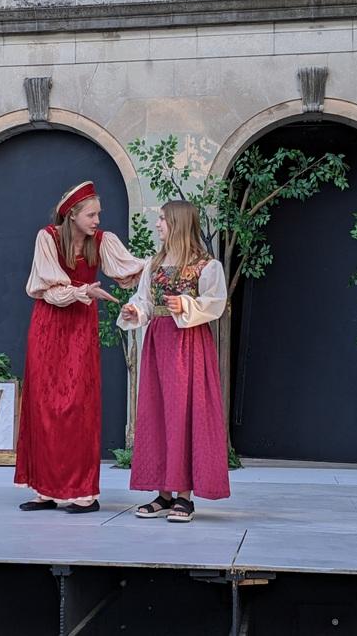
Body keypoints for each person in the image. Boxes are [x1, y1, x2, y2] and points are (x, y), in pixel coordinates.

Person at [15, 181, 144, 514]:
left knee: (77, 403)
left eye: (98, 213)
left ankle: (82, 492)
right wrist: (84, 290)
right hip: (47, 325)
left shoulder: (102, 242)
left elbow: (130, 269)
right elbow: (48, 287)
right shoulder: (47, 237)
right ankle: (43, 488)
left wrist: (162, 262)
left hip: (79, 328)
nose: (97, 220)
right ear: (72, 215)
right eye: (91, 214)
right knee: (43, 402)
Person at [118, 200, 230, 523]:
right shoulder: (154, 264)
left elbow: (215, 303)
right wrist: (135, 311)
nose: (158, 225)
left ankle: (184, 495)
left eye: (163, 220)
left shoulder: (206, 266)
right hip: (158, 343)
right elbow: (146, 300)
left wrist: (185, 304)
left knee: (184, 413)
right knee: (158, 412)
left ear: (178, 224)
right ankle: (163, 493)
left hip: (188, 345)